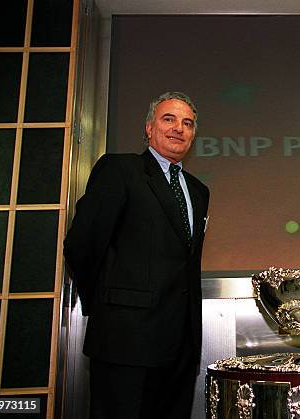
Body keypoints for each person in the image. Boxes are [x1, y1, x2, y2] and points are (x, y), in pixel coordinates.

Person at [64, 92, 209, 419]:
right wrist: (107, 304)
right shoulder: (119, 169)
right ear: (148, 128)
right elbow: (81, 244)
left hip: (181, 349)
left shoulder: (199, 191)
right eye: (168, 119)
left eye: (187, 123)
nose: (178, 129)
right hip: (124, 341)